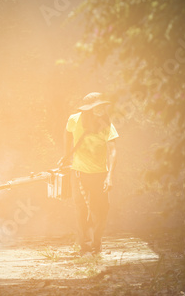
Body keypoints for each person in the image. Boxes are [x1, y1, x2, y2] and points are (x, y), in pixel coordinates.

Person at [59, 92, 118, 256]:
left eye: (101, 106)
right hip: (79, 172)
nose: (100, 110)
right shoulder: (74, 120)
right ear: (88, 110)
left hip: (100, 173)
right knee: (81, 208)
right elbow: (67, 133)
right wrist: (66, 154)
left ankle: (96, 243)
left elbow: (113, 151)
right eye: (95, 107)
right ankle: (85, 246)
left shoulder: (107, 125)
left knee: (102, 209)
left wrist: (109, 176)